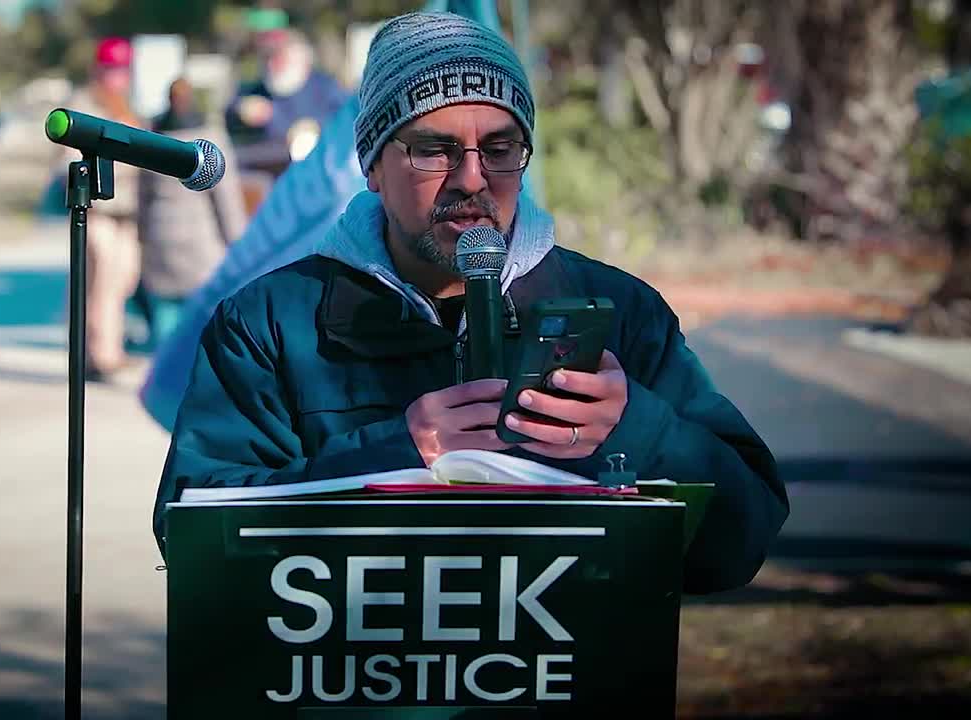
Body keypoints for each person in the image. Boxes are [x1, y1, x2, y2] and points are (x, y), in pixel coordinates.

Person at [155, 11, 788, 594]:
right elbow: (193, 536)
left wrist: (636, 428)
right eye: (434, 149)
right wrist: (396, 456)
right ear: (371, 165)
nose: (471, 177)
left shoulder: (620, 311)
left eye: (501, 149)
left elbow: (741, 540)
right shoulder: (269, 321)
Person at [54, 37, 144, 381]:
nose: (118, 77)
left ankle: (107, 347)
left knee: (124, 278)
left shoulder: (130, 106)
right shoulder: (84, 104)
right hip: (97, 208)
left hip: (128, 208)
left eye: (123, 69)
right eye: (112, 70)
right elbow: (69, 158)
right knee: (101, 278)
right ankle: (99, 354)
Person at [137, 78, 248, 347]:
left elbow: (142, 196)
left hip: (161, 241)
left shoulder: (153, 138)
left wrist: (142, 237)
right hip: (202, 243)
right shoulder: (209, 140)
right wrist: (239, 244)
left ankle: (164, 382)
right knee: (204, 327)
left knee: (165, 326)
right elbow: (226, 198)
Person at [224, 25, 349, 172]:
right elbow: (229, 114)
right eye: (267, 58)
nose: (271, 65)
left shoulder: (326, 87)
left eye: (278, 58)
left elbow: (347, 120)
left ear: (301, 57)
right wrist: (241, 110)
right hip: (266, 172)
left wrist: (316, 126)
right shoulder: (256, 90)